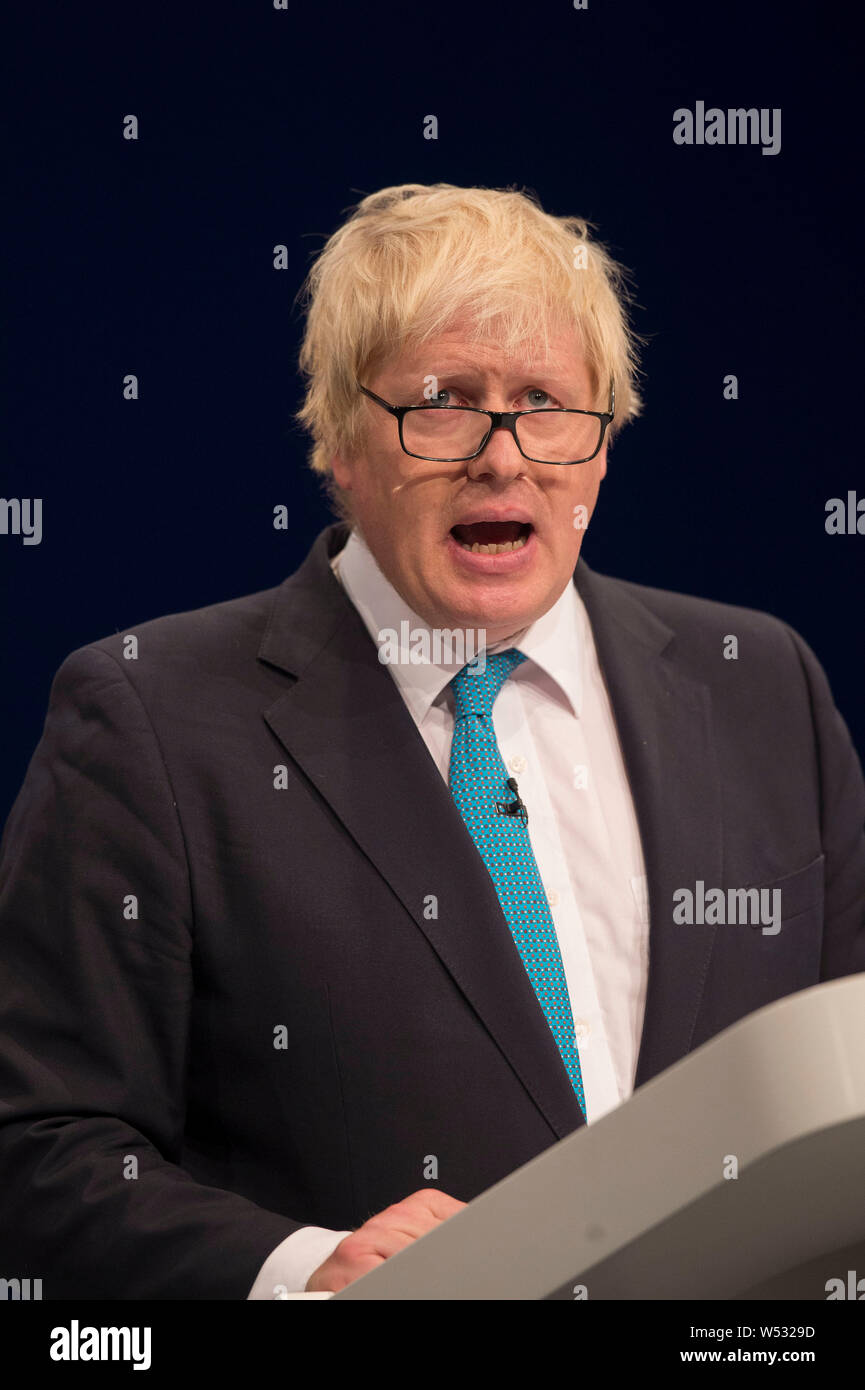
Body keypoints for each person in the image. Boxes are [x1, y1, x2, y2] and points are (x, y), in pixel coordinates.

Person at [0, 183, 862, 1299]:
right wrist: (303, 1271)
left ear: (604, 443)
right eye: (443, 402)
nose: (503, 458)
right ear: (341, 438)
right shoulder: (151, 720)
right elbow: (38, 1143)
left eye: (548, 402)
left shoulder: (759, 686)